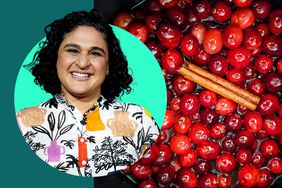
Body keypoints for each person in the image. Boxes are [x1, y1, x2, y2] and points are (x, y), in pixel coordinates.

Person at [16, 9, 160, 183]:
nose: (83, 63)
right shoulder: (24, 124)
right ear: (55, 59)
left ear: (108, 66)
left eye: (95, 53)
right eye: (72, 51)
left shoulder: (140, 121)